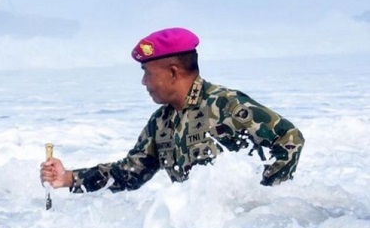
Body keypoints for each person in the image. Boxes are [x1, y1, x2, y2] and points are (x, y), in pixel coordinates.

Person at [40, 27, 304, 194]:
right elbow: (131, 172)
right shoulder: (161, 122)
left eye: (147, 73)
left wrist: (262, 199)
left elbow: (290, 139)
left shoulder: (225, 105)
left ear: (173, 72)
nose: (144, 82)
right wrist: (68, 178)